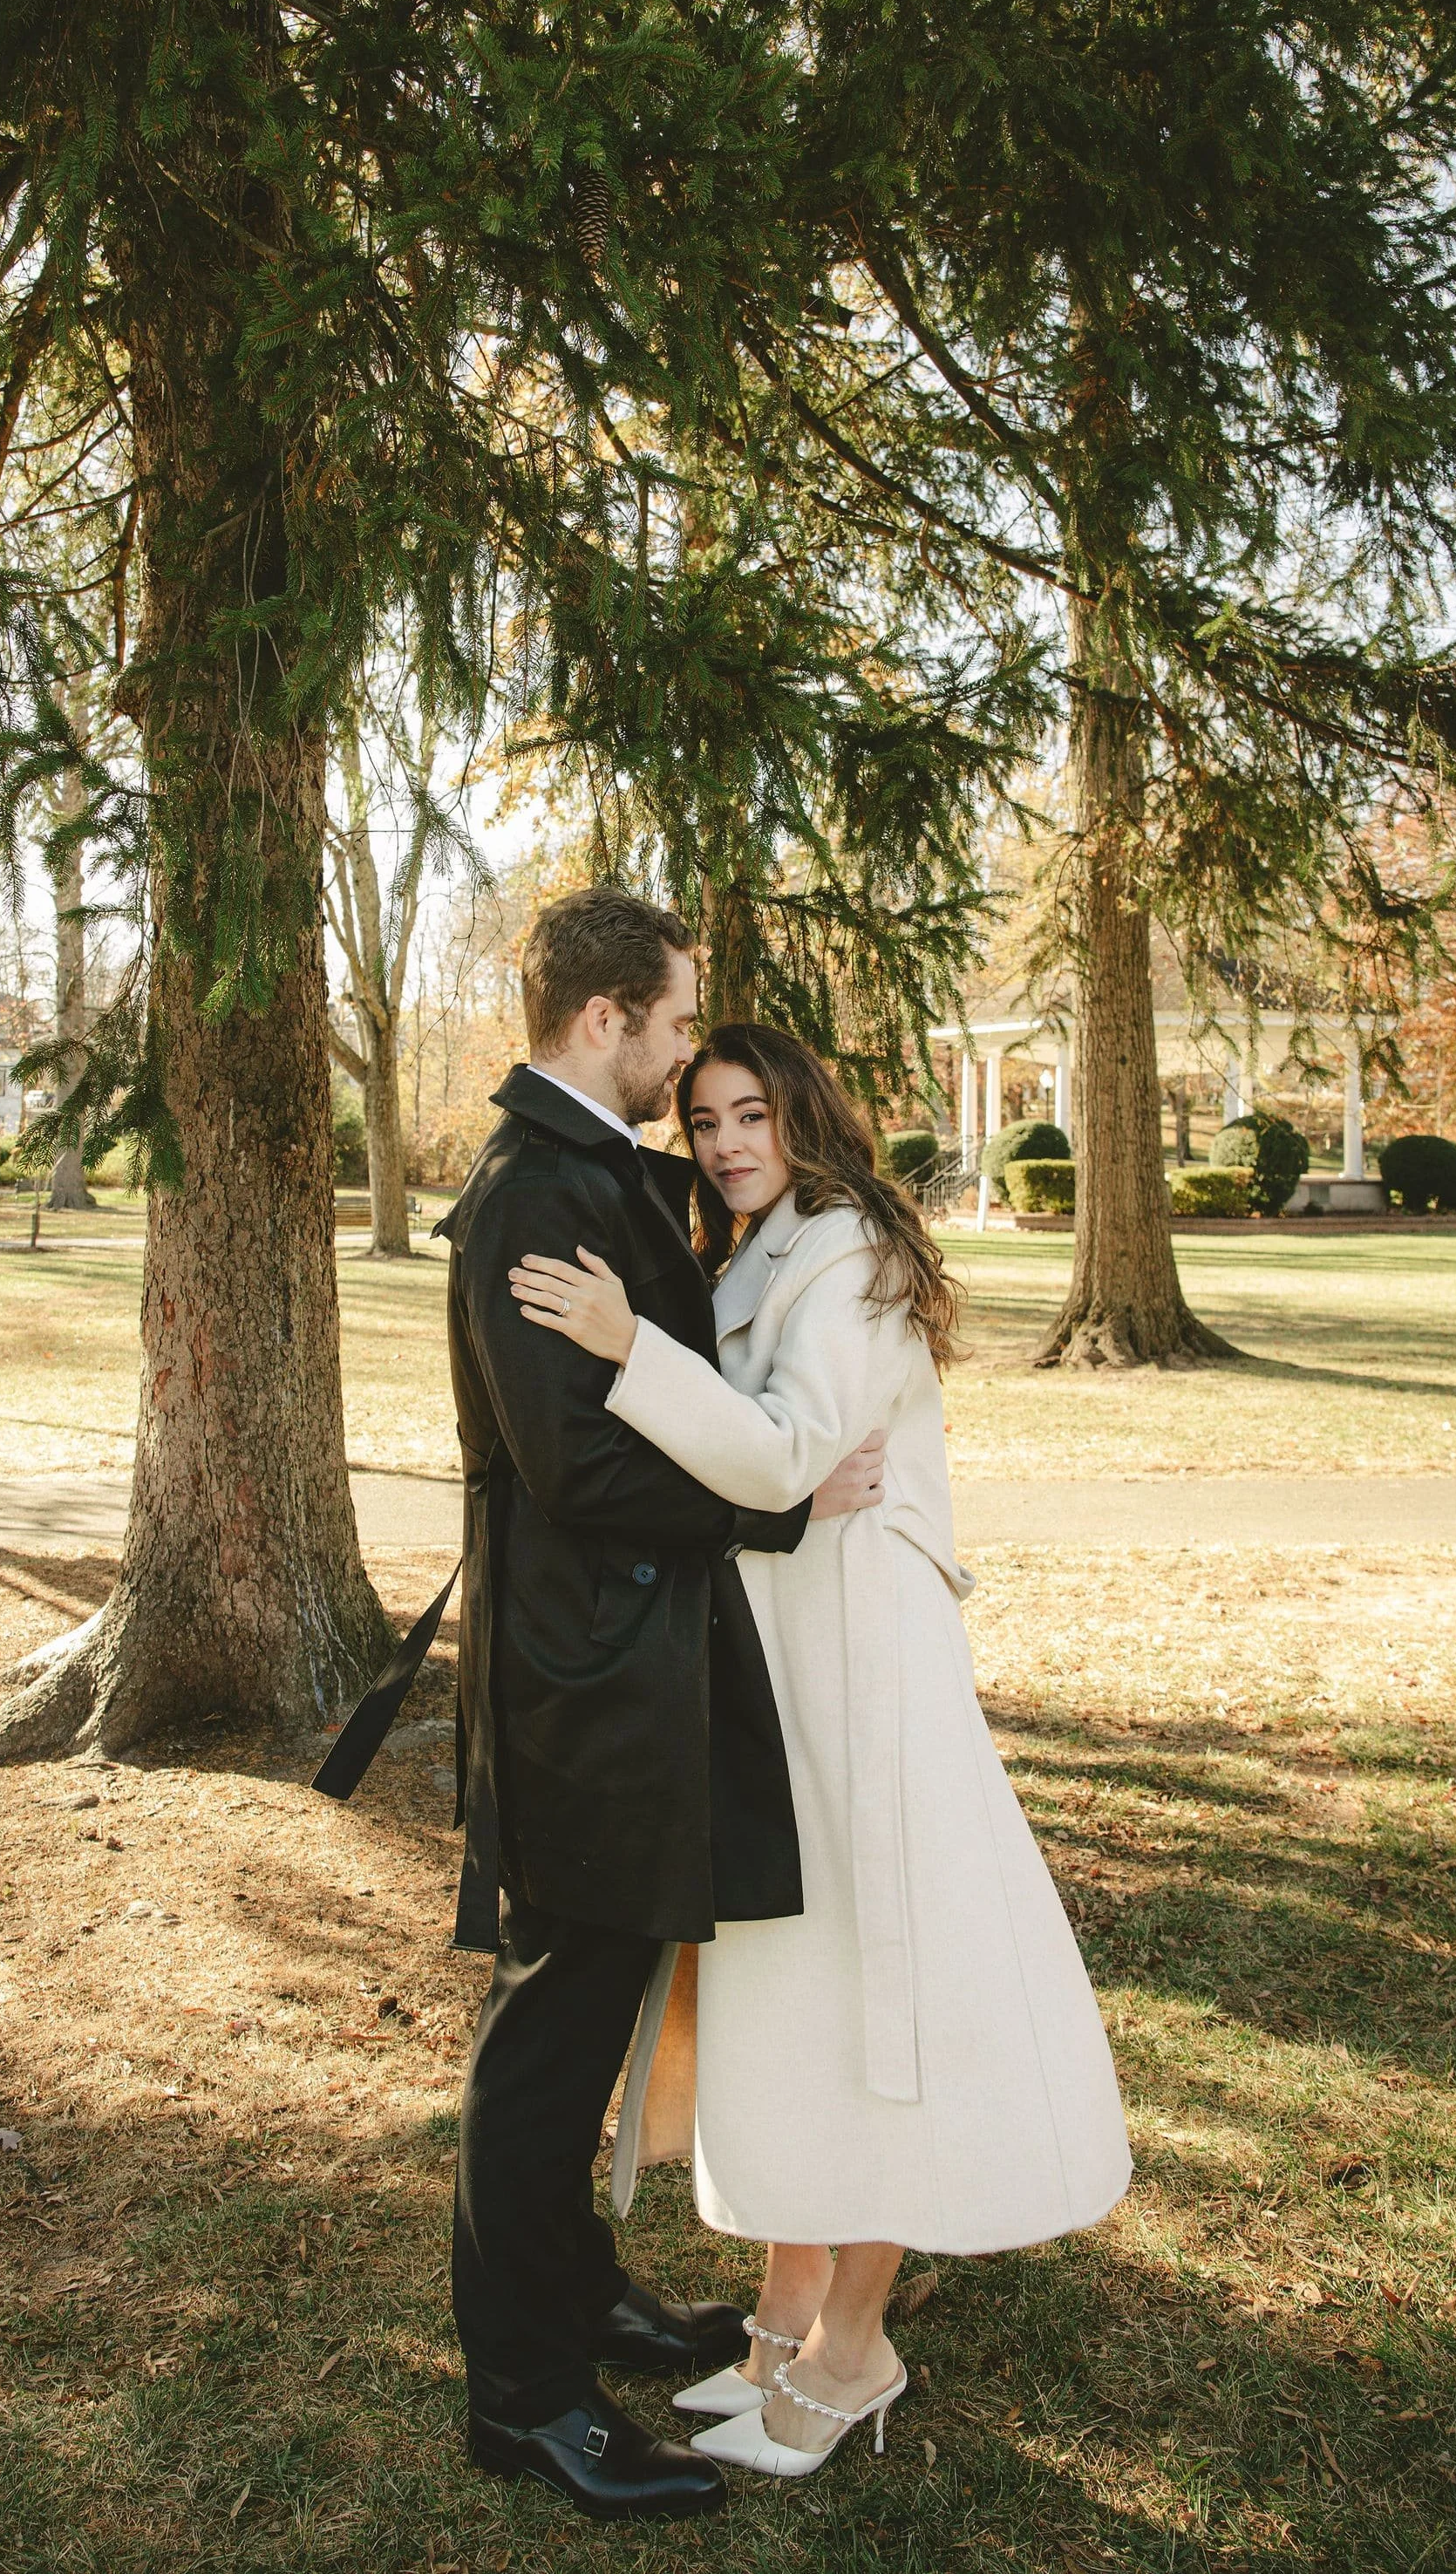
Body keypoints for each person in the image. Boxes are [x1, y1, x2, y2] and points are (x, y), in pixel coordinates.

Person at [508, 1021, 1133, 2481]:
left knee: (885, 1988)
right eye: (706, 1119)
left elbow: (784, 1453)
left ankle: (857, 2342)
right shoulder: (753, 1247)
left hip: (867, 1664)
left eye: (753, 1115)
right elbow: (756, 1463)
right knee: (801, 1983)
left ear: (806, 1117)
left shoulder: (844, 1250)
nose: (727, 1142)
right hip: (786, 1655)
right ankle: (786, 2317)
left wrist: (628, 1351)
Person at [438, 898, 887, 2522]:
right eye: (677, 1020)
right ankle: (528, 2398)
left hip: (625, 1668)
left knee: (598, 2001)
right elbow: (583, 1463)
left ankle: (583, 2300)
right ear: (609, 1016)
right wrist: (782, 1502)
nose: (690, 1048)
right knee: (552, 2033)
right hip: (579, 1681)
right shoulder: (537, 1192)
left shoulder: (593, 1169)